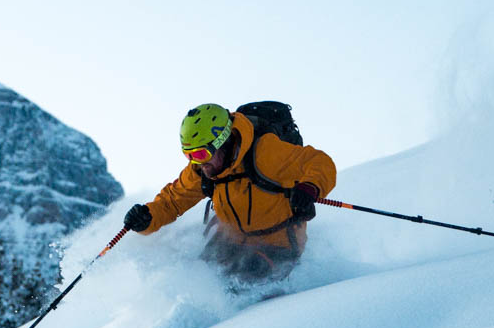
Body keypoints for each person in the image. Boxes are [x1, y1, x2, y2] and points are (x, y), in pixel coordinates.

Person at [123, 103, 337, 282]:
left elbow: (320, 163)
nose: (198, 163)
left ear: (222, 141)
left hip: (277, 246)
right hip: (231, 242)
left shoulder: (264, 152)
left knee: (244, 280)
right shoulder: (203, 169)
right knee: (196, 277)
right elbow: (172, 202)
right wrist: (148, 217)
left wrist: (309, 188)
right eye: (189, 155)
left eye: (200, 153)